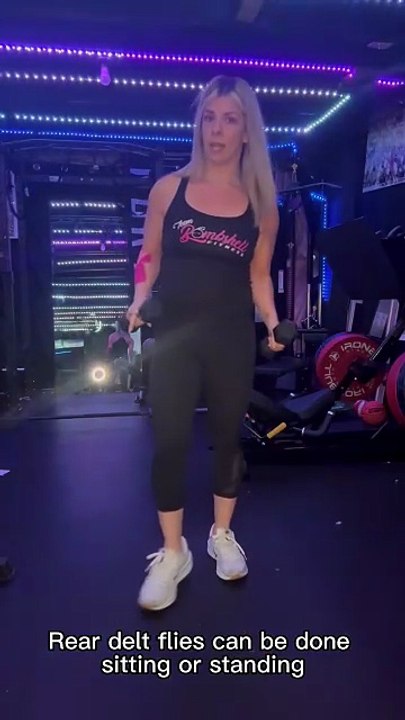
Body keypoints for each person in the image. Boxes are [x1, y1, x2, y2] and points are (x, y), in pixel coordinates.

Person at [127, 75, 284, 611]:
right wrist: (138, 298)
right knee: (170, 442)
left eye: (229, 119)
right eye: (209, 118)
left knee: (227, 440)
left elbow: (259, 275)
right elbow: (149, 256)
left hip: (229, 340)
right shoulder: (168, 190)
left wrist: (271, 320)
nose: (217, 130)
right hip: (174, 339)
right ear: (199, 125)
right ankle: (174, 552)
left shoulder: (261, 205)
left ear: (246, 131)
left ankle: (221, 534)